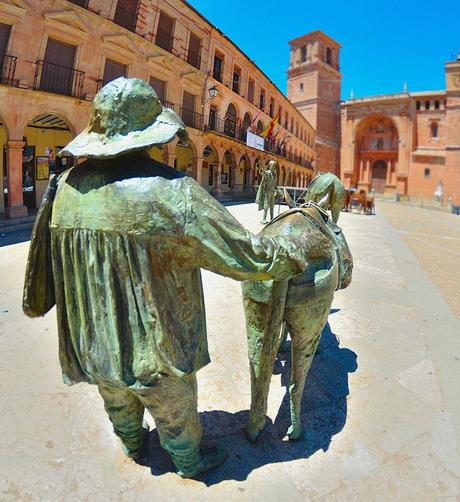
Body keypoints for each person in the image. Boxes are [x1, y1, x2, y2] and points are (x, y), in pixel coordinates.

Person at [23, 78, 314, 478]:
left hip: (92, 335)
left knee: (114, 393)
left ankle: (131, 442)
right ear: (152, 135)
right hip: (158, 341)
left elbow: (45, 259)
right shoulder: (173, 191)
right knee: (174, 408)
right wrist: (291, 255)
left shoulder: (65, 186)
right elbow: (244, 254)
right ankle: (188, 461)